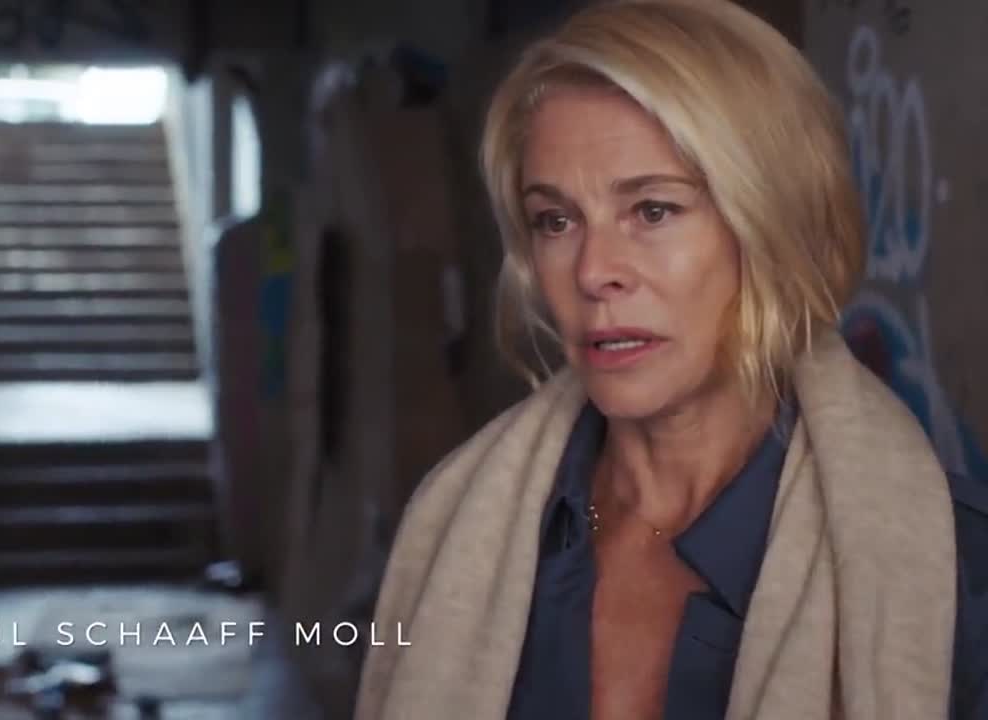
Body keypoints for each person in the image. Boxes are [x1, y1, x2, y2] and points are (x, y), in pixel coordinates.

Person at [354, 1, 987, 718]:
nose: (594, 270)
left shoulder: (955, 569)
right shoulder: (452, 522)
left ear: (772, 221)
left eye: (652, 210)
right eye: (555, 221)